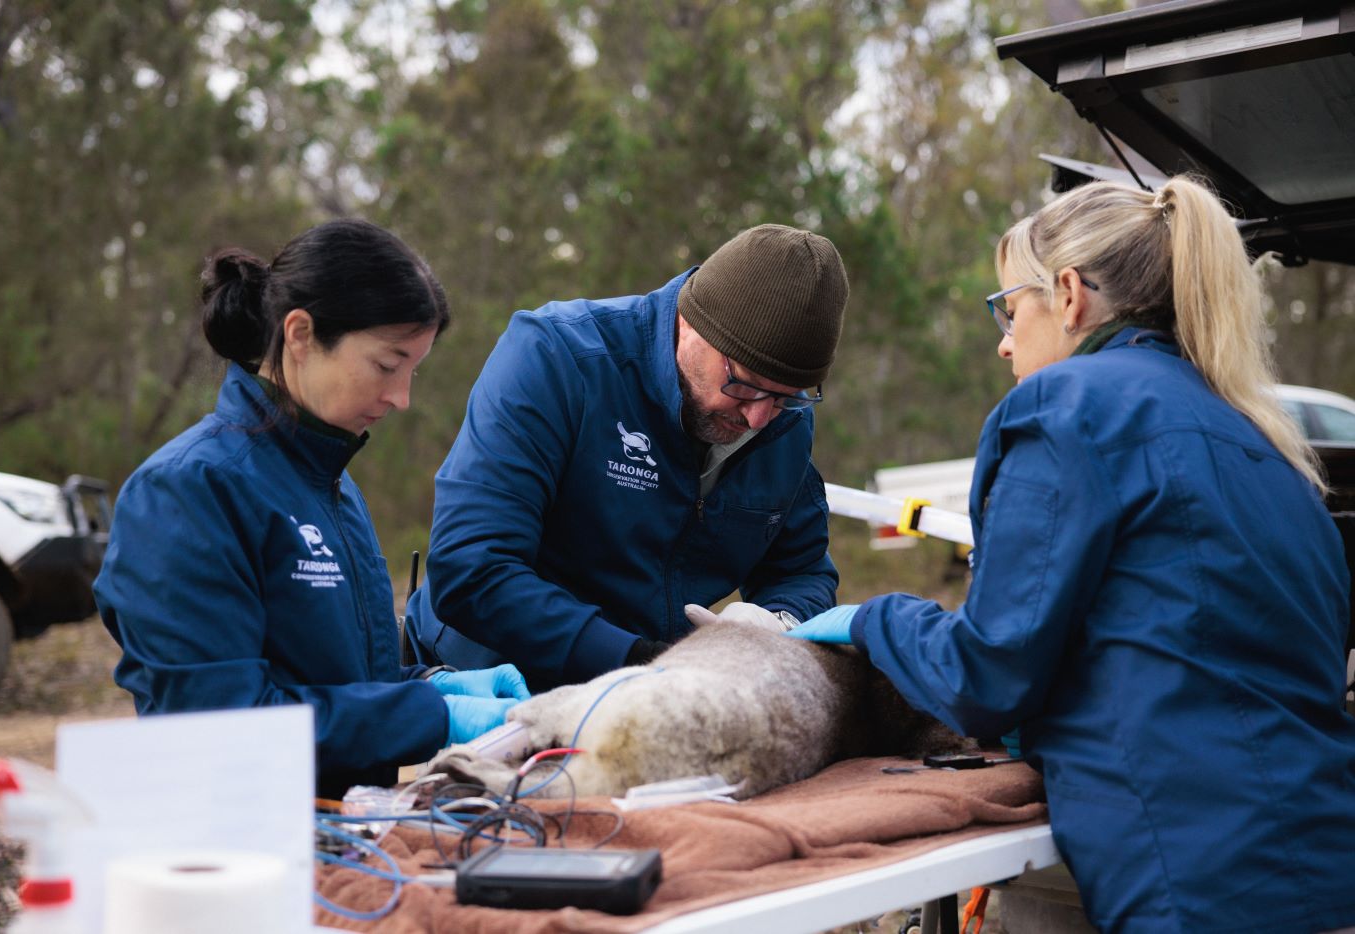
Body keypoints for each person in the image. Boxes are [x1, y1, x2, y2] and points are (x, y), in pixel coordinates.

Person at [789, 178, 1355, 933]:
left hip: (1197, 886)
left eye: (1009, 307)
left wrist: (873, 621)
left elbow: (987, 674)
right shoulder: (1265, 442)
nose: (1003, 339)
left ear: (1067, 294)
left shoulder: (1064, 408)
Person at [94, 219, 529, 798]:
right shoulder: (187, 491)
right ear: (300, 335)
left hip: (341, 837)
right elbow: (221, 725)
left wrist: (435, 684)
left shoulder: (336, 491)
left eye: (413, 370)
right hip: (234, 847)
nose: (401, 397)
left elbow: (339, 681)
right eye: (386, 364)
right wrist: (431, 715)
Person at [407, 224, 849, 691]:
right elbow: (472, 568)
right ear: (690, 324)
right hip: (492, 687)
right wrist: (636, 661)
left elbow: (800, 570)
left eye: (785, 396)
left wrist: (779, 624)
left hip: (649, 698)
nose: (760, 417)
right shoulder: (556, 360)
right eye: (745, 384)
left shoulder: (785, 420)